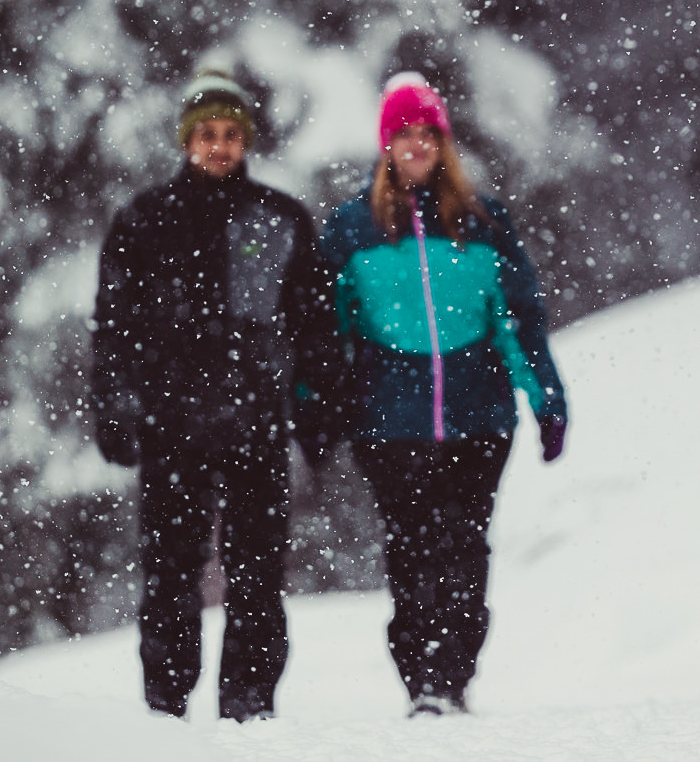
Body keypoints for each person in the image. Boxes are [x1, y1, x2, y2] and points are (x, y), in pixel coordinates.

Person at [90, 62, 341, 721]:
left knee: (258, 573)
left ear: (246, 139)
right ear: (186, 139)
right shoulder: (144, 220)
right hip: (170, 425)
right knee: (170, 573)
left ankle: (250, 703)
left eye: (232, 132)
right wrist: (115, 405)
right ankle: (165, 702)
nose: (220, 144)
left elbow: (313, 323)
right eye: (207, 133)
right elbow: (114, 325)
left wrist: (316, 406)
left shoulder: (278, 218)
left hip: (256, 423)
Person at [319, 71, 569, 716]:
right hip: (389, 421)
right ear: (386, 145)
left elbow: (517, 320)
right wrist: (320, 407)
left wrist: (545, 399)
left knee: (463, 546)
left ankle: (453, 677)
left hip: (477, 415)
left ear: (443, 141)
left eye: (427, 133)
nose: (416, 145)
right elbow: (329, 333)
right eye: (404, 134)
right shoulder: (353, 229)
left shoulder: (483, 222)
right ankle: (419, 679)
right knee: (409, 549)